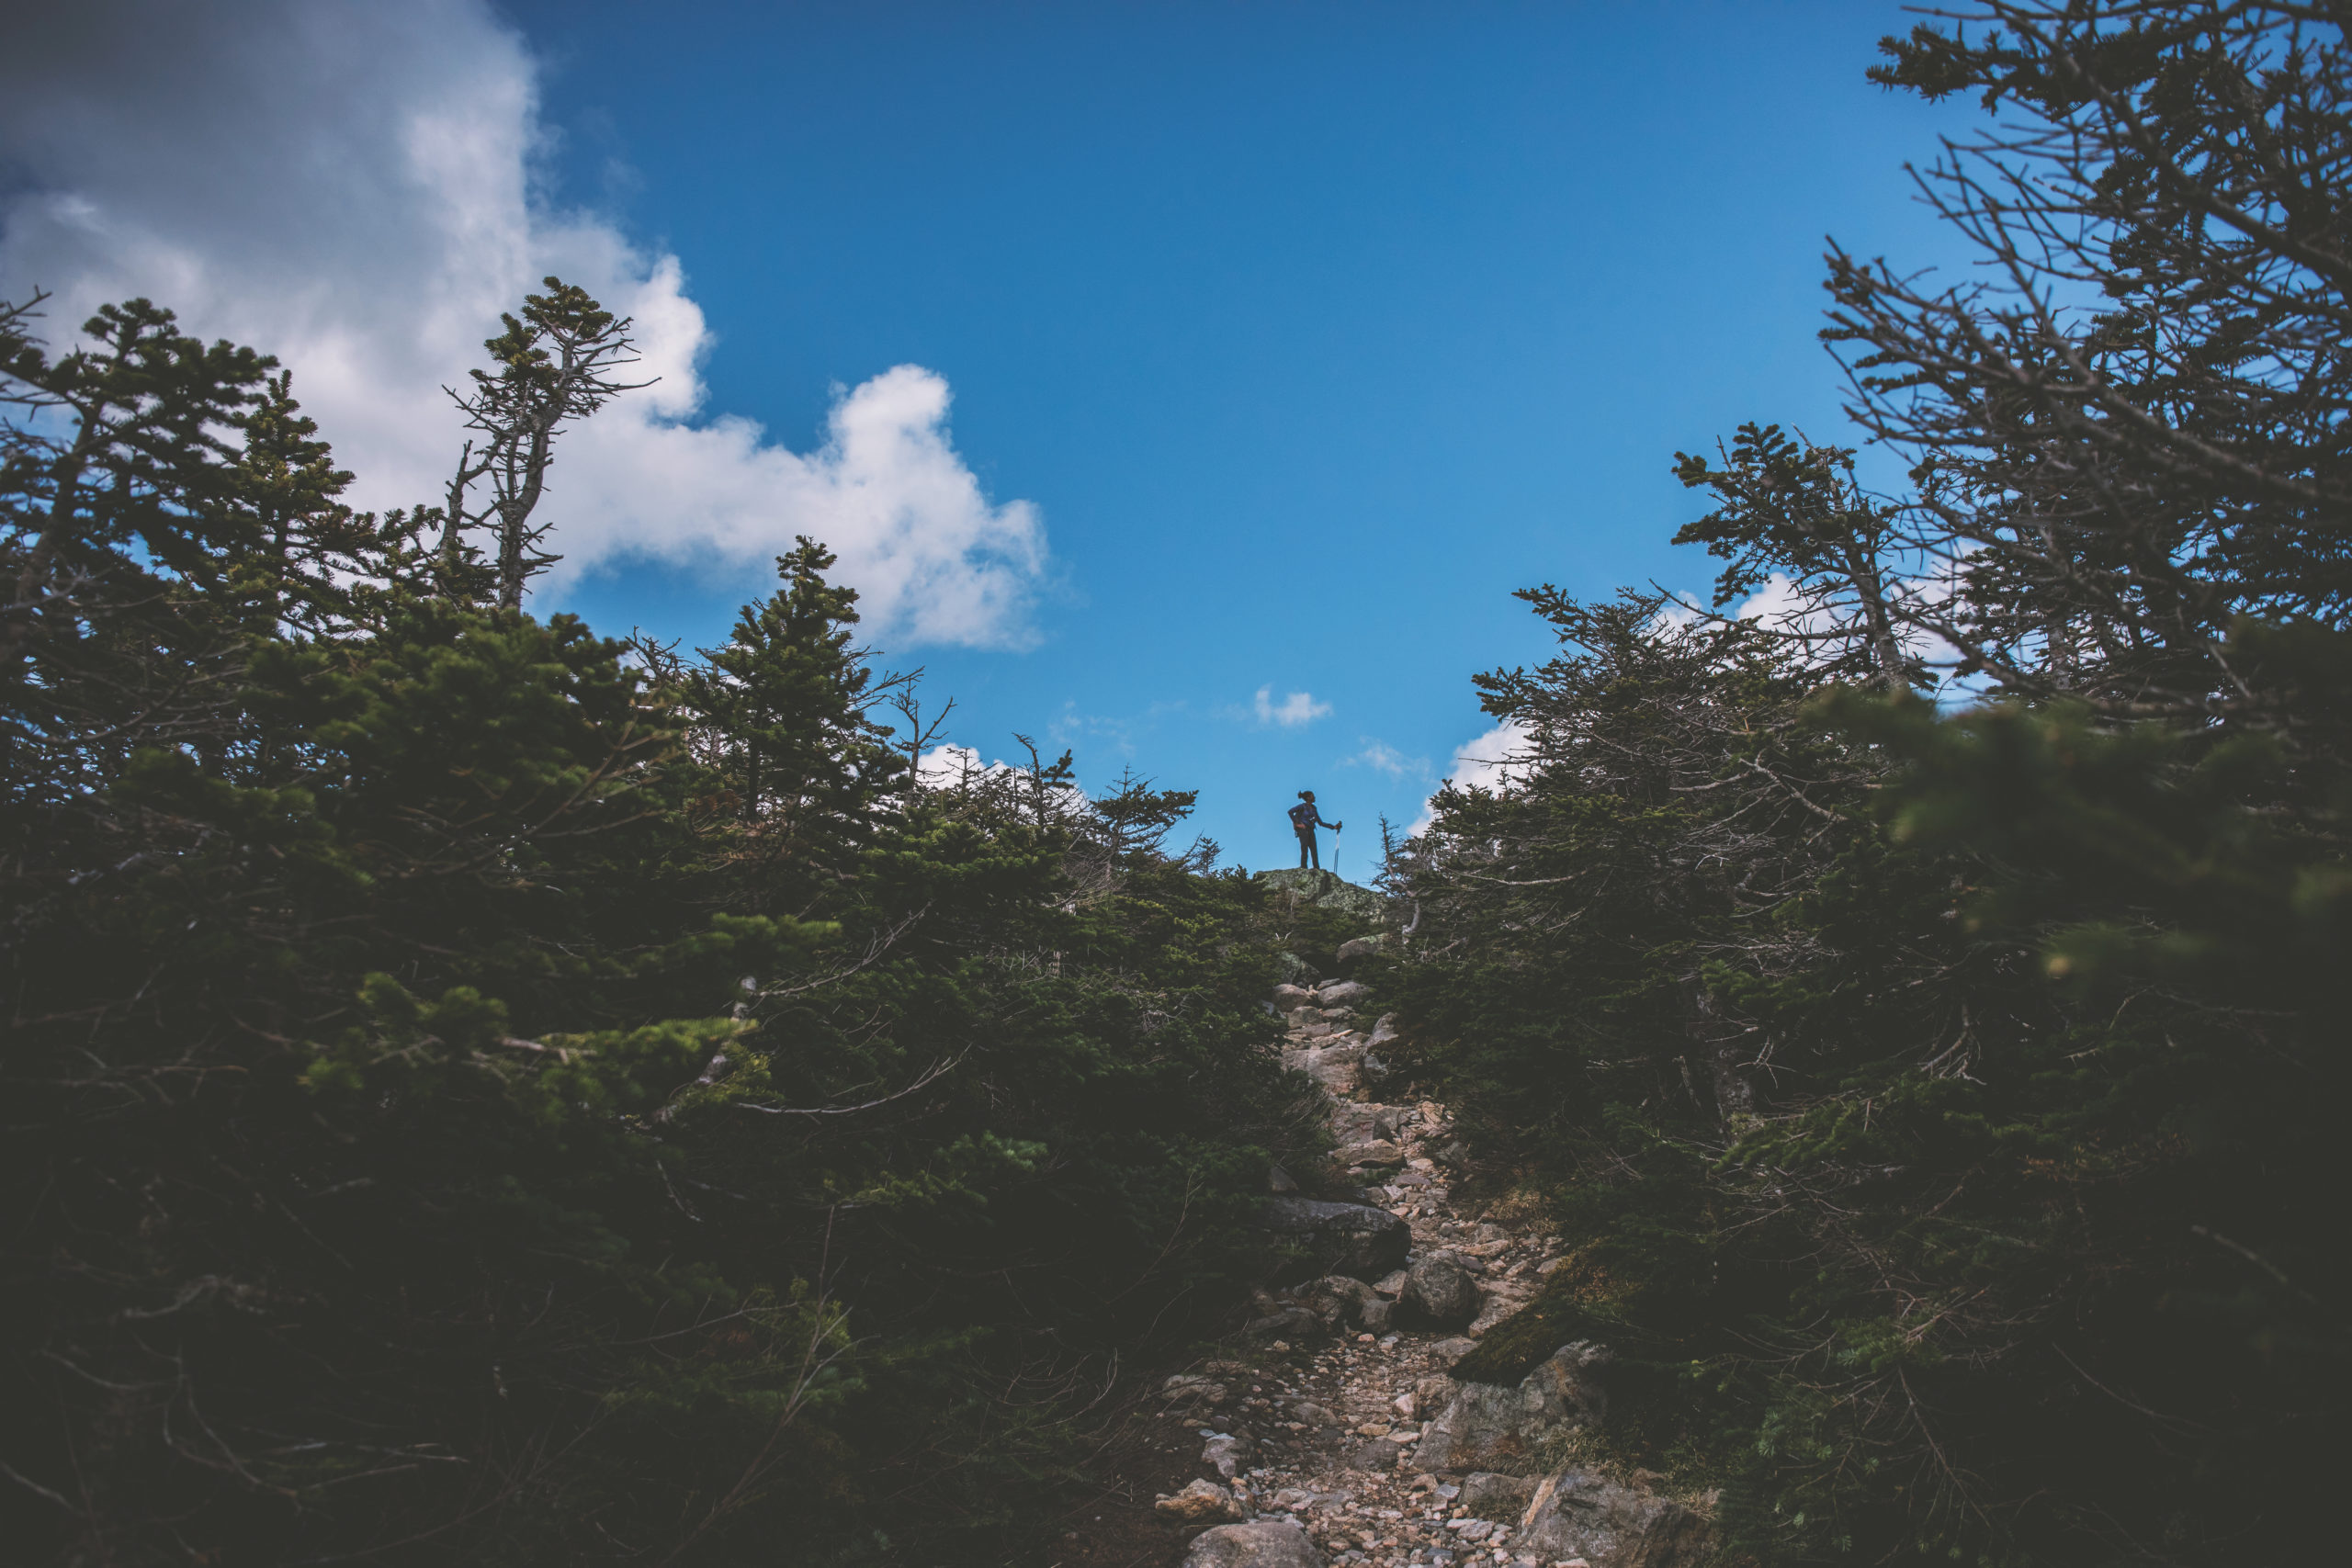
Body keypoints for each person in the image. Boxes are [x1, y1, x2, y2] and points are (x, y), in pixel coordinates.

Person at [1288, 790, 1340, 870]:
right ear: (1308, 798)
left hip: (1311, 830)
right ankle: (1304, 868)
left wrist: (1333, 827)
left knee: (1314, 851)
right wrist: (1298, 824)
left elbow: (1320, 823)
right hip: (1303, 830)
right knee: (1304, 849)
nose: (1314, 797)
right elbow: (1290, 812)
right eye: (1313, 795)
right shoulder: (1302, 806)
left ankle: (1316, 868)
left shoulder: (1314, 809)